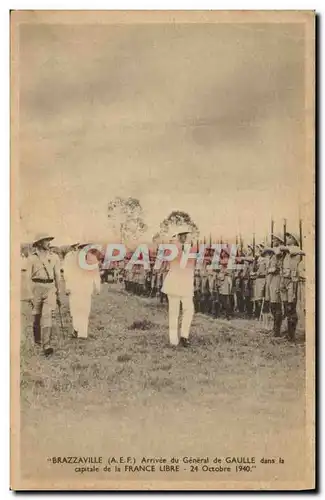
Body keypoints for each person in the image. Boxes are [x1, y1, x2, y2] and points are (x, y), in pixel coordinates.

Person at [25, 233, 62, 357]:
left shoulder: (55, 257)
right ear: (40, 243)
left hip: (50, 288)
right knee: (36, 316)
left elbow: (57, 275)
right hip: (36, 288)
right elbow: (27, 278)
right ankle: (37, 340)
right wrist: (29, 294)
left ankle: (46, 345)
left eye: (49, 240)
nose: (49, 242)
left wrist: (58, 290)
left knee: (47, 316)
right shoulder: (32, 258)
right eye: (46, 240)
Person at [161, 227, 195, 347]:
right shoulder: (175, 248)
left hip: (185, 284)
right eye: (188, 235)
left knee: (188, 310)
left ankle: (184, 336)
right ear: (183, 236)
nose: (190, 238)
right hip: (175, 283)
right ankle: (174, 339)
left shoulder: (186, 248)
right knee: (174, 312)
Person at [64, 242, 101, 339]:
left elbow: (95, 274)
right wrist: (67, 286)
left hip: (86, 287)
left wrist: (97, 286)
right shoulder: (72, 258)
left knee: (85, 309)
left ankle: (83, 333)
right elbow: (67, 273)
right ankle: (76, 329)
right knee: (75, 309)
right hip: (74, 287)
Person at [280, 232, 305, 341]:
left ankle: (291, 335)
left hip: (292, 281)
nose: (287, 238)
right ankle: (287, 331)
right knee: (286, 306)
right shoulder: (287, 251)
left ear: (295, 240)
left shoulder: (295, 249)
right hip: (285, 279)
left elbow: (284, 249)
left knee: (291, 307)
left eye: (290, 237)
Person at [267, 234, 285, 337]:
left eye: (275, 239)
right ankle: (275, 328)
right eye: (273, 239)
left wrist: (271, 270)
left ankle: (277, 330)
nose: (273, 241)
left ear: (280, 241)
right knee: (272, 305)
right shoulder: (274, 253)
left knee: (276, 304)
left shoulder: (280, 252)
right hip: (272, 279)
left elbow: (277, 268)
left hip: (277, 279)